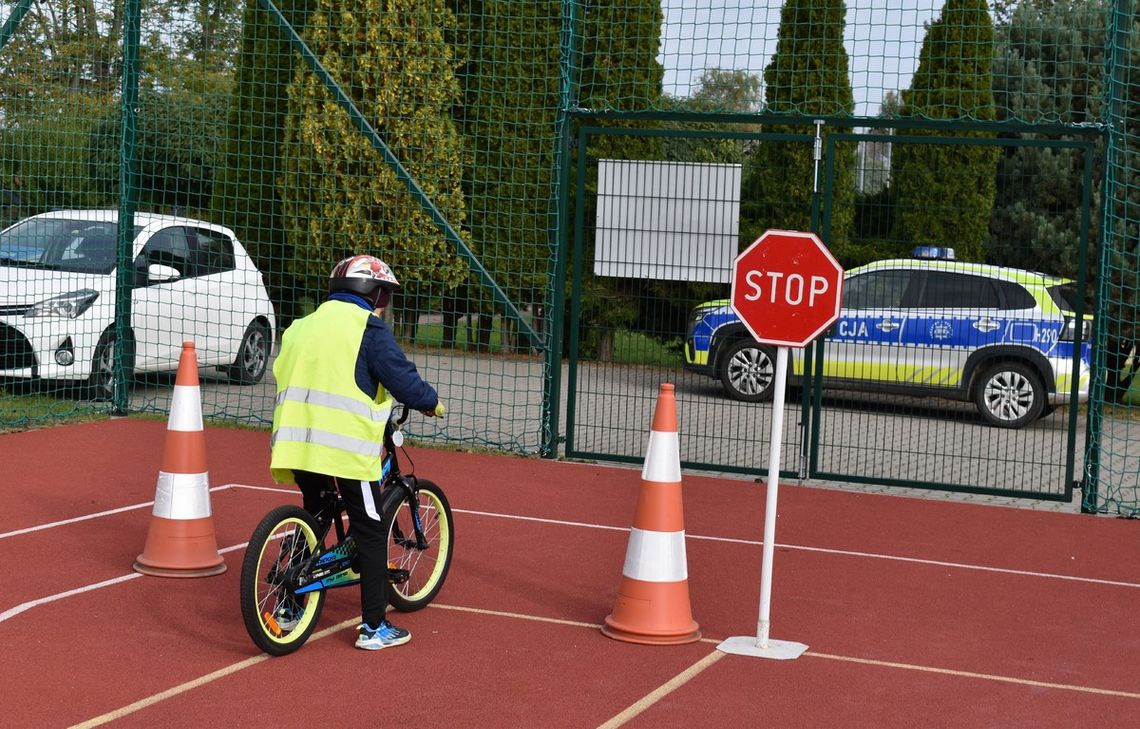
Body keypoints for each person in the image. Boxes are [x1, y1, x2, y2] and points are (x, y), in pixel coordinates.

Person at [270, 254, 445, 651]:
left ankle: (287, 604)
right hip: (345, 450)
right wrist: (430, 402)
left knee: (314, 513)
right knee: (370, 526)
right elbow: (401, 378)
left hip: (297, 442)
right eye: (385, 294)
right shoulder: (368, 328)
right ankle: (374, 628)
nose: (385, 301)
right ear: (373, 291)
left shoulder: (302, 326)